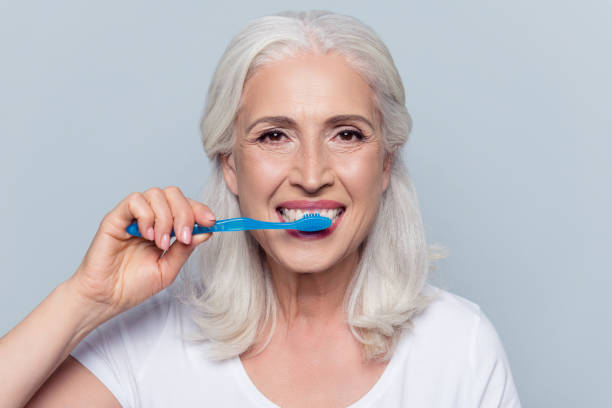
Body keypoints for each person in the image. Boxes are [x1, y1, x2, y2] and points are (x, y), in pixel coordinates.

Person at [1, 10, 521, 407]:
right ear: (231, 166)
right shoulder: (148, 346)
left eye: (346, 134)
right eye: (274, 136)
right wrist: (86, 299)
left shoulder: (460, 347)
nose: (312, 175)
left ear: (385, 165)